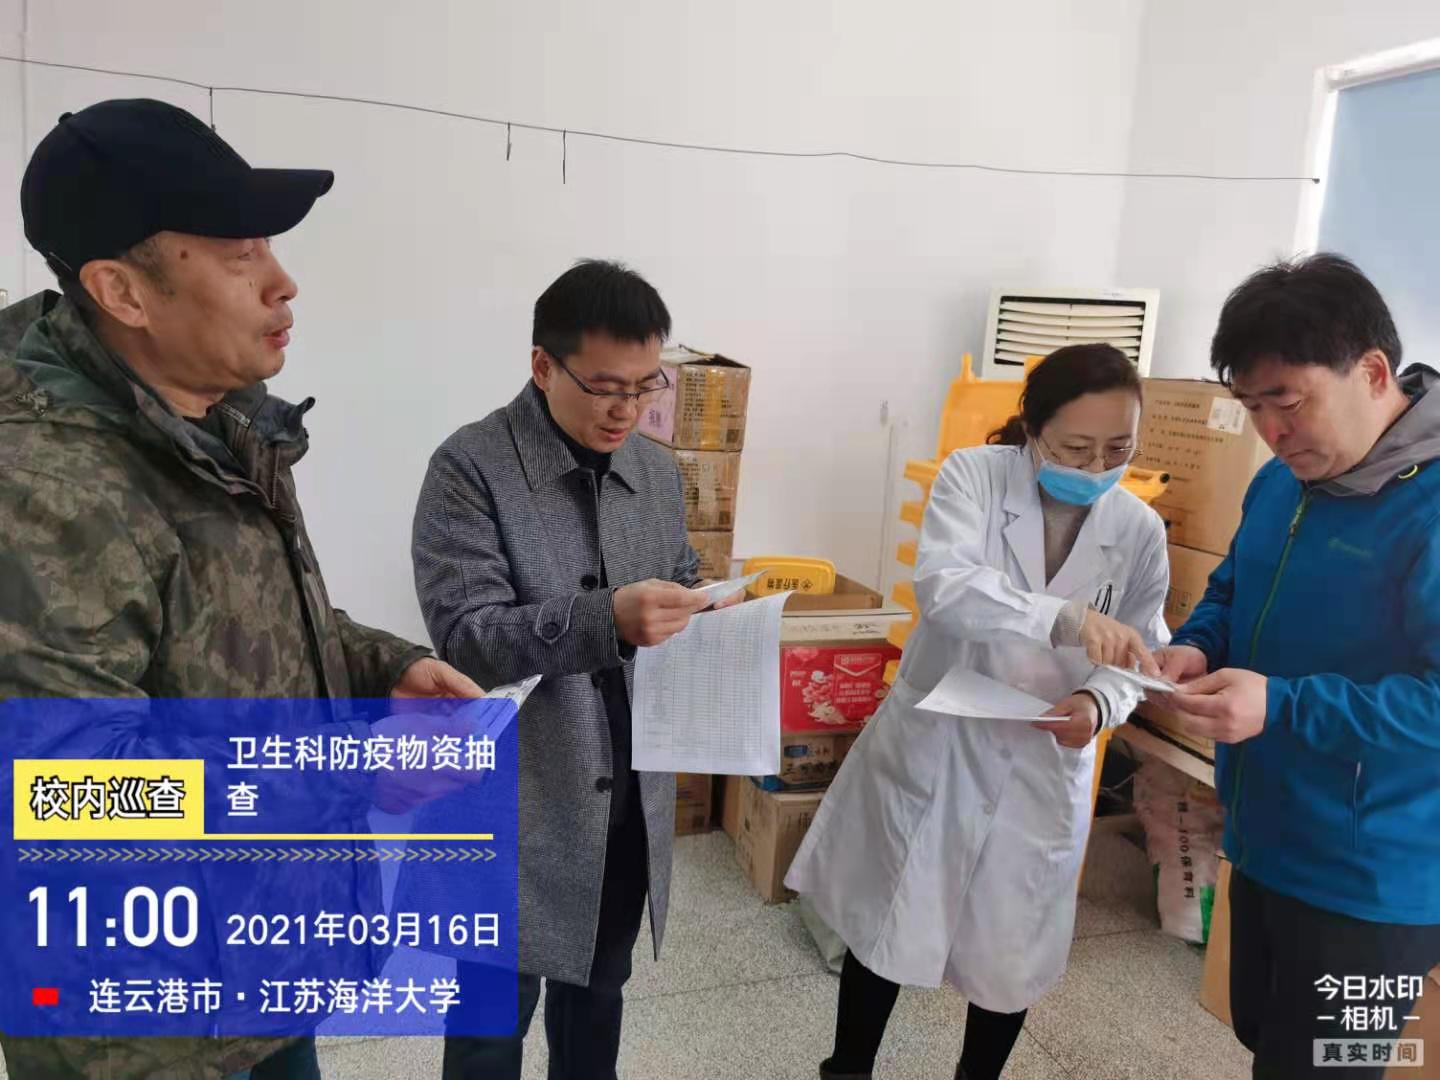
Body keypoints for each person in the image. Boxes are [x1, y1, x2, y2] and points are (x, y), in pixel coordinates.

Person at [0, 98, 483, 1080]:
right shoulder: (48, 490)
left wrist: (383, 667)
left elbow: (237, 623)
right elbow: (77, 792)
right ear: (121, 292)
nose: (282, 282)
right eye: (238, 255)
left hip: (260, 962)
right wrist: (349, 772)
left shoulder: (217, 422)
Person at [787, 343, 1170, 1080]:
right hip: (941, 745)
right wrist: (1063, 618)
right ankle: (848, 1069)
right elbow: (946, 587)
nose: (1097, 466)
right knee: (889, 922)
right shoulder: (974, 478)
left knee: (1010, 953)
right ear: (1035, 429)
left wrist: (1098, 702)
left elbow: (1142, 649)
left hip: (1042, 763)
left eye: (1118, 448)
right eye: (1077, 448)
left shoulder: (1138, 530)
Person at [412, 259, 731, 1080]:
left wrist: (709, 607)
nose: (628, 408)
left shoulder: (654, 470)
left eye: (646, 385)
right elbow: (467, 638)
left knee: (596, 1000)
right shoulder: (470, 467)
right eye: (605, 387)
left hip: (624, 792)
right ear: (543, 365)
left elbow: (679, 572)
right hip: (512, 798)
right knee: (487, 1029)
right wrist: (607, 618)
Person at [1156, 254, 1440, 1080]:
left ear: (1373, 372)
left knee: (1323, 1069)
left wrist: (1282, 706)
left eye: (1289, 403)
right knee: (1262, 1036)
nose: (1272, 433)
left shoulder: (1429, 509)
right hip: (1266, 836)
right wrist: (1198, 643)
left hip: (1373, 881)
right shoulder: (1282, 482)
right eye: (1252, 408)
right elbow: (1234, 587)